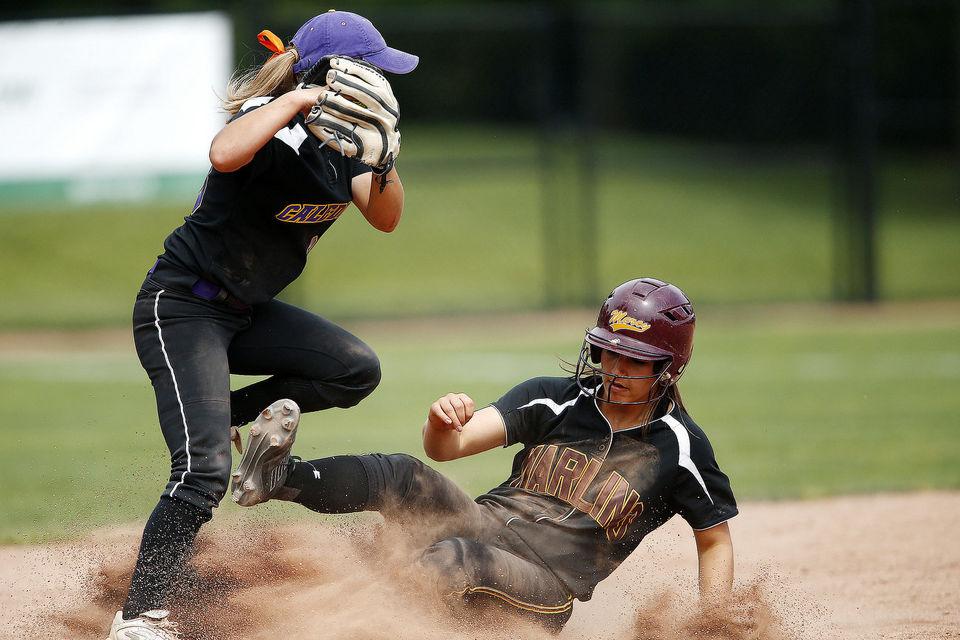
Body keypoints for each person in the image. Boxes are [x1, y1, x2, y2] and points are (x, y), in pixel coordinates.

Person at [106, 11, 418, 640]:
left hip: (242, 313)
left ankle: (227, 412)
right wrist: (302, 97)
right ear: (333, 75)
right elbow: (224, 151)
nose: (381, 83)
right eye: (372, 70)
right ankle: (138, 617)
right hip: (182, 306)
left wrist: (383, 164)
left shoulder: (342, 151)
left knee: (354, 369)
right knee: (203, 472)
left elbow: (386, 218)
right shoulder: (270, 129)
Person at [235, 277, 738, 634]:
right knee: (402, 473)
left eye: (635, 359)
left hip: (546, 583)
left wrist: (710, 623)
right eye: (608, 351)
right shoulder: (555, 397)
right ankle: (279, 476)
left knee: (453, 560)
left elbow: (713, 538)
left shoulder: (680, 446)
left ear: (670, 368)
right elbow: (449, 448)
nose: (615, 367)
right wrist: (440, 422)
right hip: (483, 522)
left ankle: (335, 622)